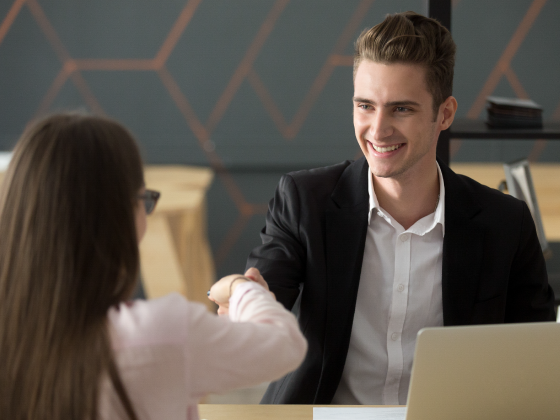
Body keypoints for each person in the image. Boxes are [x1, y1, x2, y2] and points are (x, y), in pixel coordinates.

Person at [247, 11, 556, 405]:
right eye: (365, 106)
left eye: (401, 109)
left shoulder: (506, 224)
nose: (377, 130)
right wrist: (245, 296)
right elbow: (263, 290)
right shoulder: (305, 200)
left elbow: (534, 360)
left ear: (444, 114)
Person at [0, 113, 306, 420]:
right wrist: (242, 289)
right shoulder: (164, 333)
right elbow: (284, 344)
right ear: (123, 215)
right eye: (143, 199)